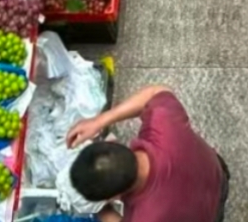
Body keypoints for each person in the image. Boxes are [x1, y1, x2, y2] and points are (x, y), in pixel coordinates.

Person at [67, 87, 228, 222]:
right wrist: (99, 121)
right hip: (216, 173)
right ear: (114, 143)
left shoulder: (145, 216)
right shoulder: (163, 123)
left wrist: (102, 212)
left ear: (114, 197)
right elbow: (156, 92)